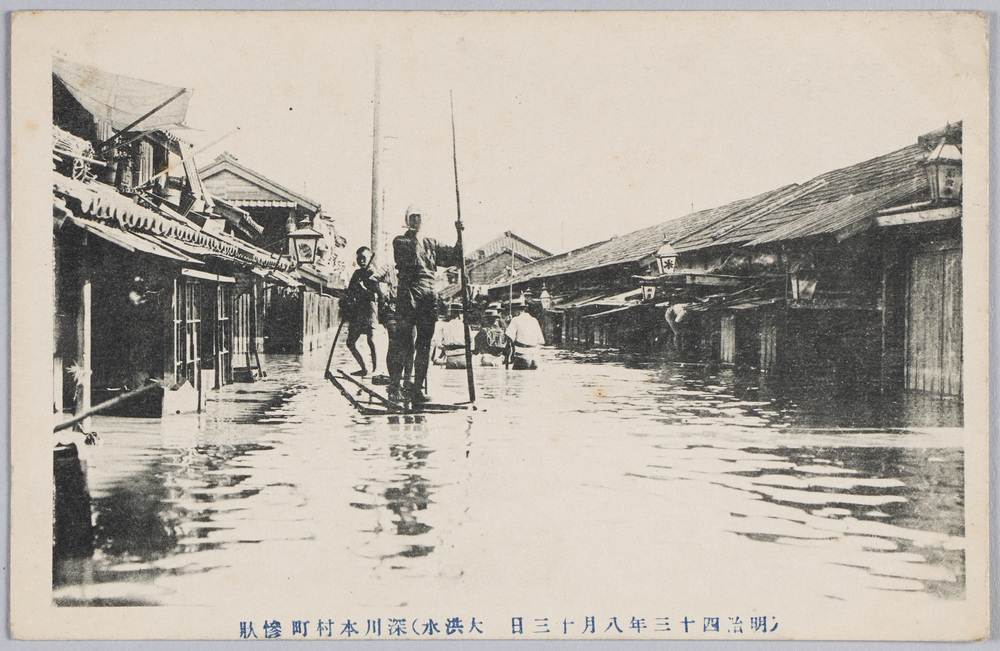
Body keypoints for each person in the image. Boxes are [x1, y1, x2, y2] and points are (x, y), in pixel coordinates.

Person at [388, 205, 463, 403]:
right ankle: (395, 386)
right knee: (404, 342)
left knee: (425, 344)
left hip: (429, 294)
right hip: (409, 292)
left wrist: (459, 234)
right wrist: (416, 236)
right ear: (407, 220)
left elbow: (455, 257)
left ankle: (416, 388)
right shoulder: (400, 240)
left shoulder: (432, 243)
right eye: (412, 217)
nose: (417, 220)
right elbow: (410, 256)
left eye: (420, 216)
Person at [345, 246, 380, 377]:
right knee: (350, 342)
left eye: (364, 258)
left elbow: (377, 294)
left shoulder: (374, 273)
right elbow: (350, 291)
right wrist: (348, 303)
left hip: (369, 309)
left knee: (371, 340)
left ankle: (376, 369)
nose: (361, 261)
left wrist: (364, 288)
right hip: (357, 311)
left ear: (370, 258)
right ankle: (364, 368)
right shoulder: (357, 274)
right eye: (359, 259)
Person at [504, 297, 545, 370]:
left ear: (518, 310)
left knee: (516, 380)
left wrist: (507, 324)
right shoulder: (534, 320)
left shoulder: (515, 320)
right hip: (534, 357)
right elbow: (541, 341)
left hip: (522, 356)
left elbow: (509, 338)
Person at [431, 302, 468, 369]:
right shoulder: (465, 326)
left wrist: (443, 348)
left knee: (435, 360)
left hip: (450, 357)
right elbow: (471, 344)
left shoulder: (445, 325)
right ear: (460, 313)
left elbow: (437, 342)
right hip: (464, 358)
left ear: (451, 312)